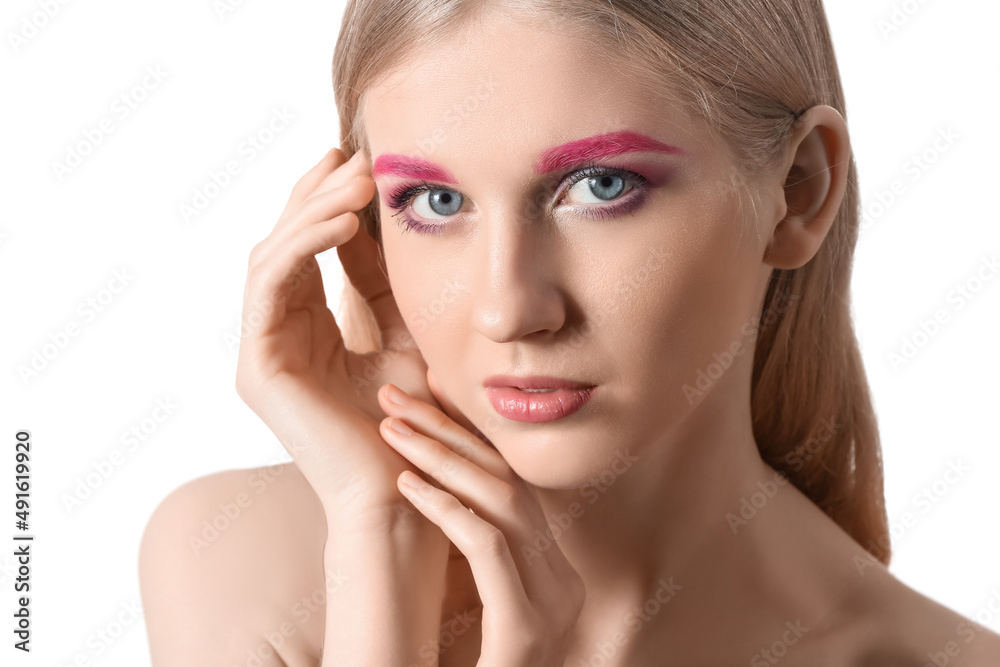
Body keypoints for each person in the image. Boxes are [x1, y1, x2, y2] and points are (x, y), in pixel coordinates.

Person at [138, 1, 1000, 665]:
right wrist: (381, 553)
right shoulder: (240, 564)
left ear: (799, 189)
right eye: (435, 203)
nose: (510, 310)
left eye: (600, 186)